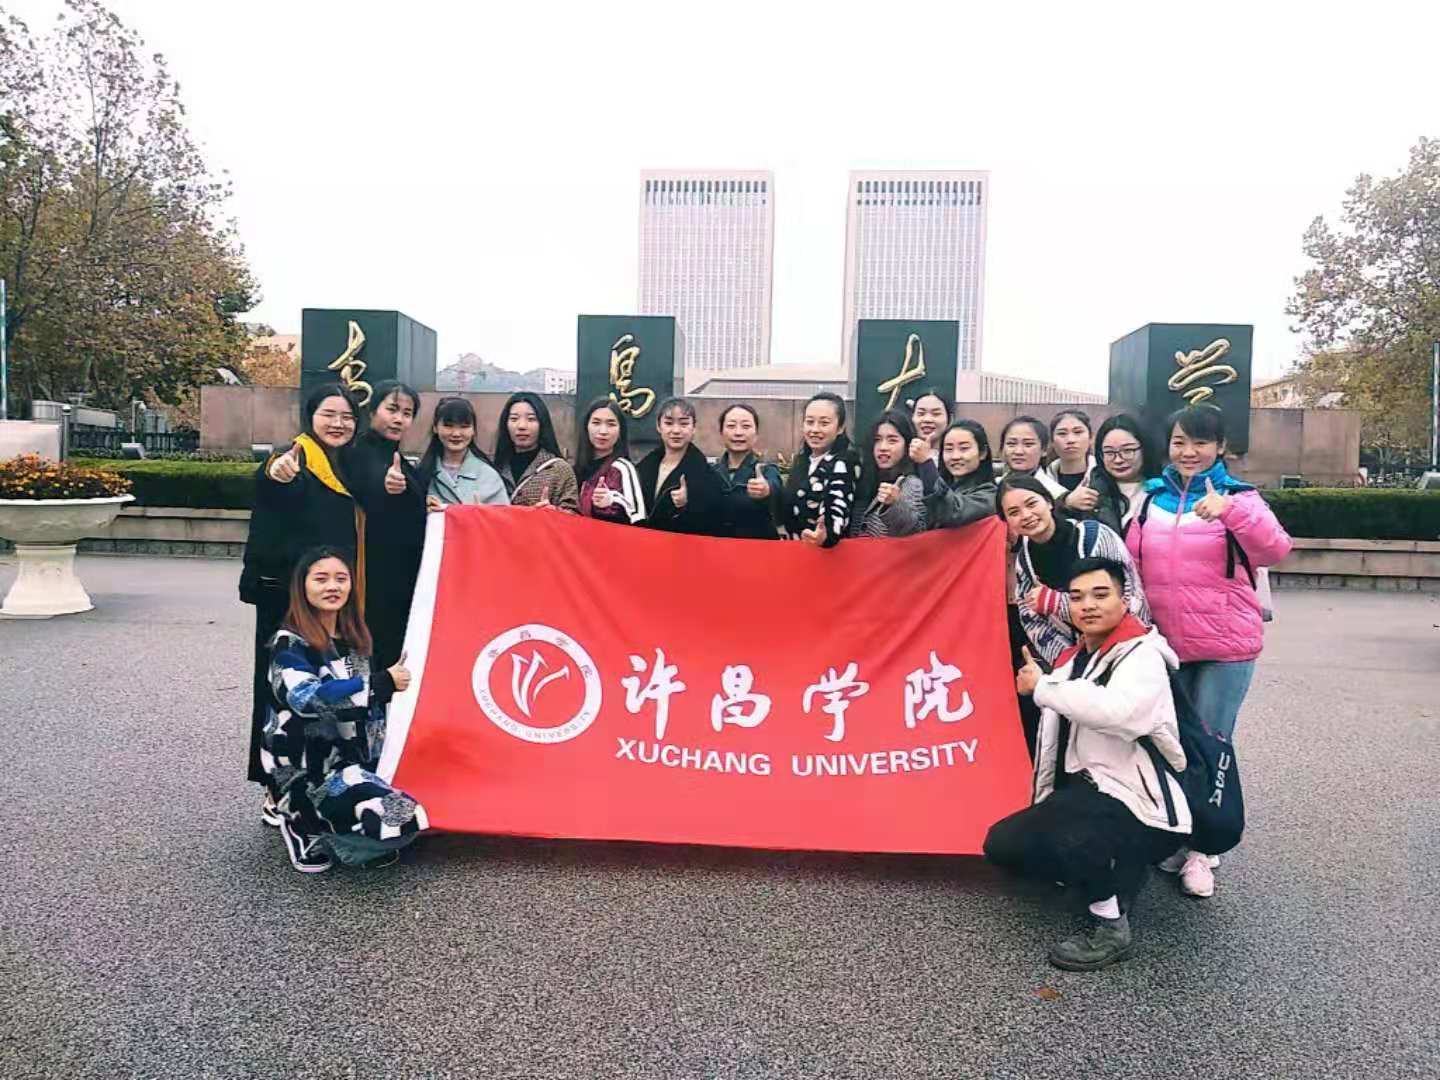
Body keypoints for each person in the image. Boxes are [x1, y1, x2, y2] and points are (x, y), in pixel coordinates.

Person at [984, 557, 1191, 971]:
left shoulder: (1143, 656)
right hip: (1089, 790)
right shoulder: (1073, 659)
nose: (1088, 606)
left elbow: (1118, 713)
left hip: (1140, 800)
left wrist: (1042, 687)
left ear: (1125, 600)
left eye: (1101, 594)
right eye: (1077, 598)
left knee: (1073, 834)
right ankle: (1111, 871)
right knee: (1002, 844)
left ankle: (1111, 924)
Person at [1126, 404, 1293, 898]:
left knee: (1211, 745)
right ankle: (1178, 834)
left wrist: (1231, 512)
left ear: (1219, 447)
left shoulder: (1241, 497)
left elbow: (1276, 549)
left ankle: (1204, 850)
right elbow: (1131, 567)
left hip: (1226, 645)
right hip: (1166, 646)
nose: (1188, 452)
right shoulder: (1149, 498)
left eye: (1199, 442)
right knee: (1172, 744)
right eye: (1179, 442)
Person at [239, 383, 364, 821]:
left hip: (331, 598)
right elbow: (272, 478)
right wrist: (274, 472)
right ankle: (276, 786)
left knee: (325, 689)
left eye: (347, 417)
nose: (338, 423)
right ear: (310, 417)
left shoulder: (346, 464)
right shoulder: (295, 455)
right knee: (281, 694)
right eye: (329, 414)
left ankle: (321, 780)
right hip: (287, 596)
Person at [261, 546, 429, 873]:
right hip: (306, 769)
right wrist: (382, 683)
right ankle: (300, 821)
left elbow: (368, 714)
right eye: (321, 579)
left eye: (341, 579)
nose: (332, 586)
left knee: (411, 816)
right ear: (302, 586)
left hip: (348, 763)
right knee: (388, 817)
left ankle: (340, 829)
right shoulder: (288, 644)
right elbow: (308, 699)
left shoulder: (355, 639)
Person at [999, 474, 1149, 755]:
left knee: (1125, 738)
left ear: (1048, 501)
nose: (1026, 516)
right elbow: (1030, 615)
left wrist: (1055, 602)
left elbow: (1124, 601)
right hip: (1071, 663)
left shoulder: (1094, 536)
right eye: (1014, 512)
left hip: (1123, 652)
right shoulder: (1026, 557)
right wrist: (1069, 661)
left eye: (1031, 504)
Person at [341, 380, 427, 674]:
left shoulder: (400, 460)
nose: (399, 419)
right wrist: (386, 485)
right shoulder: (356, 453)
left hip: (401, 576)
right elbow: (368, 485)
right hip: (374, 578)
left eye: (407, 413)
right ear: (373, 411)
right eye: (392, 409)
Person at [778, 392, 862, 547]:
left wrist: (826, 535)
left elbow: (838, 505)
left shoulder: (845, 462)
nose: (815, 429)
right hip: (795, 551)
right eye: (810, 422)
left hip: (827, 554)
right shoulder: (801, 462)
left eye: (824, 423)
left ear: (840, 428)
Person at [635, 397, 723, 534]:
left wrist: (686, 504)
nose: (676, 430)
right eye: (669, 423)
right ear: (658, 426)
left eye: (684, 424)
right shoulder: (642, 468)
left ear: (694, 427)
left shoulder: (708, 476)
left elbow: (712, 524)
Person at [419, 396, 510, 509]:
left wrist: (483, 513)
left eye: (464, 427)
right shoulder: (421, 473)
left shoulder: (488, 475)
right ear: (435, 428)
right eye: (448, 426)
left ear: (473, 430)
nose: (456, 434)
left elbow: (503, 516)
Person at [493, 391, 579, 511]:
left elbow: (574, 515)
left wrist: (554, 512)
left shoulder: (559, 470)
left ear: (542, 424)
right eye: (514, 419)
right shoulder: (494, 469)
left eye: (531, 419)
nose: (521, 426)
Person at [849, 409, 927, 538]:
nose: (883, 447)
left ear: (907, 445)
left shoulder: (912, 484)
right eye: (877, 440)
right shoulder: (864, 477)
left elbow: (917, 529)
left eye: (892, 440)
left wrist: (894, 504)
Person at [712, 403, 782, 540]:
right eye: (731, 426)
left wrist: (766, 490)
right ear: (721, 433)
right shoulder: (709, 472)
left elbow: (777, 490)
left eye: (746, 426)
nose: (738, 432)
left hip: (755, 549)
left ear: (756, 434)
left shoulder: (766, 470)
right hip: (717, 548)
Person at [575, 397, 645, 524]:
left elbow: (638, 518)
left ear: (620, 430)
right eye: (596, 423)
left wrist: (613, 501)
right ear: (586, 427)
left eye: (611, 424)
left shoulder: (623, 468)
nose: (603, 431)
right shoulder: (575, 470)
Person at [925, 420, 997, 530]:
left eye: (964, 448)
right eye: (949, 449)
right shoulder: (941, 486)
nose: (955, 456)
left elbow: (953, 512)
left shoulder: (989, 494)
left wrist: (926, 465)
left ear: (982, 453)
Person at [1093, 413, 1158, 532]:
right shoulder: (1092, 493)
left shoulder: (1163, 489)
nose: (1118, 460)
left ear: (1145, 449)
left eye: (1127, 451)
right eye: (1109, 453)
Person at [999, 415, 1065, 497]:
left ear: (1044, 449)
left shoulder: (1056, 493)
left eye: (1028, 444)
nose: (1018, 451)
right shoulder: (994, 487)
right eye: (1011, 444)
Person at [908, 387, 953, 495]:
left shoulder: (956, 456)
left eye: (936, 414)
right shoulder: (902, 453)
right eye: (921, 413)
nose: (927, 419)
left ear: (950, 419)